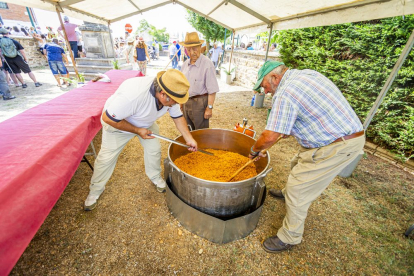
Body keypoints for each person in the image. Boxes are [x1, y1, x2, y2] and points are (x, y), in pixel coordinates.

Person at [249, 61, 365, 253]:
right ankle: (286, 194)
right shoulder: (305, 75)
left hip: (336, 144)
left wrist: (254, 150)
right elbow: (308, 111)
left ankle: (290, 237)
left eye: (264, 86)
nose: (266, 91)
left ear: (275, 78)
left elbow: (269, 136)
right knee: (297, 163)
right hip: (330, 137)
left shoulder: (285, 93)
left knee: (299, 189)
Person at [83, 69, 198, 211]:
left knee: (154, 149)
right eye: (176, 101)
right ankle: (95, 191)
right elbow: (108, 118)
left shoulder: (170, 94)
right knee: (106, 159)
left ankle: (155, 176)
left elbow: (178, 117)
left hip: (145, 123)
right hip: (118, 125)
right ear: (163, 95)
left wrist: (189, 138)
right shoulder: (133, 96)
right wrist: (137, 130)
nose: (177, 104)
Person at [180, 32, 219, 130]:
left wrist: (209, 108)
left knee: (201, 133)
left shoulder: (207, 64)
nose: (192, 52)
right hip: (186, 102)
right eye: (188, 49)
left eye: (194, 48)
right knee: (188, 130)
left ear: (200, 47)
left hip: (200, 104)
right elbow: (182, 87)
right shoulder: (185, 65)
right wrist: (181, 104)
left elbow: (212, 90)